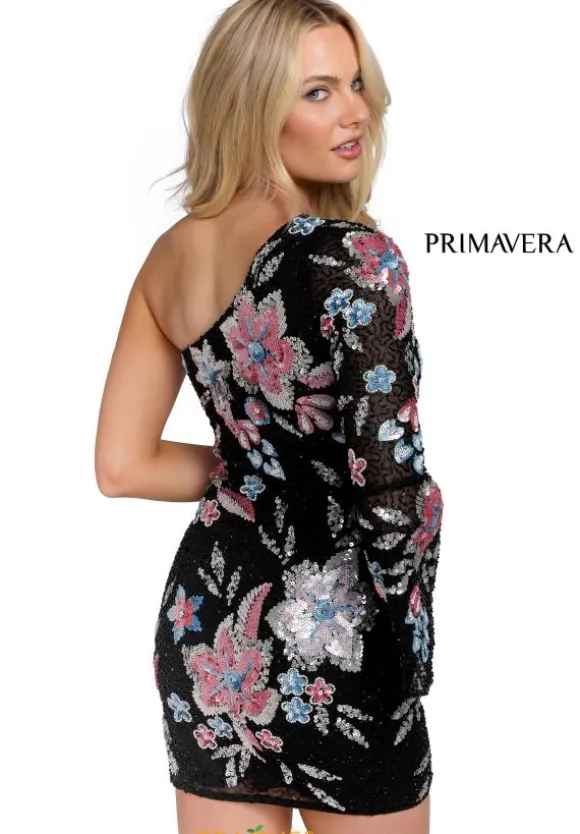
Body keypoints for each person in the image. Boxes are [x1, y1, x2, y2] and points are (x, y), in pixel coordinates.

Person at [95, 1, 444, 832]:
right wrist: (414, 653)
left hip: (214, 640)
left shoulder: (170, 256)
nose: (355, 111)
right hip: (348, 648)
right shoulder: (355, 259)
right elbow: (392, 496)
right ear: (252, 106)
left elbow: (123, 466)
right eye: (317, 92)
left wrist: (259, 469)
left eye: (354, 84)